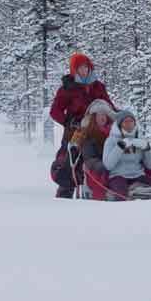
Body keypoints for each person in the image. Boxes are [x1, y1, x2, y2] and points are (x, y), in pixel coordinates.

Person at [48, 53, 114, 198]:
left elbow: (108, 105)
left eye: (86, 67)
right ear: (74, 70)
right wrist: (67, 122)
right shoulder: (67, 88)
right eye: (80, 68)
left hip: (96, 128)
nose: (84, 71)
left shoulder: (98, 86)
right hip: (75, 129)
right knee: (71, 157)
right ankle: (65, 189)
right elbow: (55, 111)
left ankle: (102, 186)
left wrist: (119, 116)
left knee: (99, 153)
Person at [101, 110, 151, 200]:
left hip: (138, 175)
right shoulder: (111, 140)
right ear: (119, 125)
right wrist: (120, 147)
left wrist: (147, 148)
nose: (129, 124)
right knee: (121, 195)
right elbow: (108, 165)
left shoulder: (140, 139)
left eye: (131, 121)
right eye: (125, 122)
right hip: (118, 176)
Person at [71, 99, 117, 195]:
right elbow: (90, 159)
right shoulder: (88, 134)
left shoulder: (115, 132)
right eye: (99, 114)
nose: (102, 117)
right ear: (93, 117)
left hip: (115, 167)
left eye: (104, 114)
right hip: (96, 170)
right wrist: (104, 167)